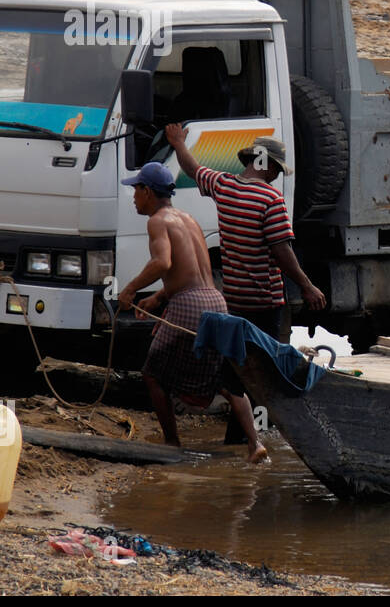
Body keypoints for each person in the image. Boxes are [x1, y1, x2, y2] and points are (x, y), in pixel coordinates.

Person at [117, 161, 267, 462]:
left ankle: (172, 443)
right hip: (215, 300)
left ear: (148, 191)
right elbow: (191, 272)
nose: (133, 197)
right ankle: (255, 445)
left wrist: (130, 289)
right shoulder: (189, 219)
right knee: (224, 379)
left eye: (136, 190)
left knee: (152, 373)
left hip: (189, 304)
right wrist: (158, 299)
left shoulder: (157, 221)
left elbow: (163, 263)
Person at [165, 125, 327, 342]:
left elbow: (193, 168)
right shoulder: (271, 199)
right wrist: (307, 286)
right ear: (267, 164)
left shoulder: (223, 185)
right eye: (277, 169)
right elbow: (281, 251)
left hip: (234, 299)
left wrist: (179, 144)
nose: (276, 175)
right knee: (264, 360)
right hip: (264, 303)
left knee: (240, 359)